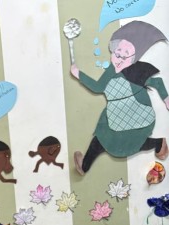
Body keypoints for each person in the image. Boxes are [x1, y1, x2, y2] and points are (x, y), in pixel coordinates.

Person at [71, 21, 169, 175]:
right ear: (113, 51)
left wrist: (166, 98)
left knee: (125, 139)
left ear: (133, 57)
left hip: (137, 112)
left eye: (125, 54)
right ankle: (158, 143)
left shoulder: (137, 71)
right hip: (117, 114)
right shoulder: (111, 70)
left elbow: (156, 82)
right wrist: (79, 74)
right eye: (118, 53)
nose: (120, 57)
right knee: (104, 137)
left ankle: (158, 143)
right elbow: (98, 87)